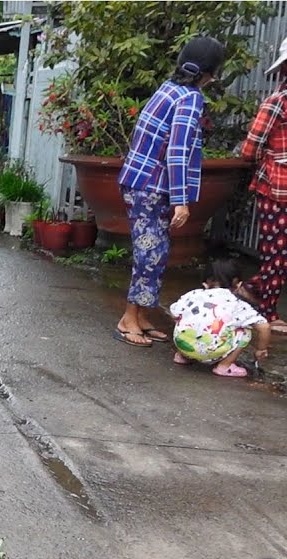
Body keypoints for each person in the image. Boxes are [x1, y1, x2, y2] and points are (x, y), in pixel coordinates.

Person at [116, 36, 226, 348]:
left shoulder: (169, 88)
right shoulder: (190, 98)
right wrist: (181, 201)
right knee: (150, 254)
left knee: (156, 251)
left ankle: (141, 317)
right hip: (152, 186)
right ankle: (128, 319)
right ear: (210, 73)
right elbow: (177, 151)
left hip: (141, 181)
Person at [238, 36, 287, 335]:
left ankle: (250, 289)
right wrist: (274, 161)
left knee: (280, 254)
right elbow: (250, 149)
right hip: (275, 191)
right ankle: (267, 313)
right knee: (276, 254)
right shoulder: (276, 103)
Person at [170, 258, 271, 378]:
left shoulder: (193, 294)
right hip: (210, 351)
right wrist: (261, 349)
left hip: (183, 345)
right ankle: (224, 366)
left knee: (187, 320)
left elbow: (174, 313)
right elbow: (265, 327)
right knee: (245, 331)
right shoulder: (238, 305)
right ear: (238, 285)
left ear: (205, 283)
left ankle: (182, 356)